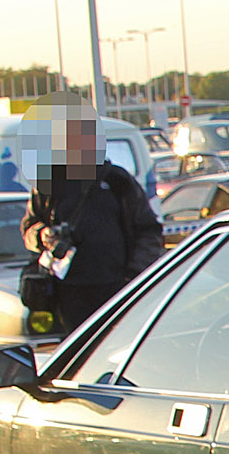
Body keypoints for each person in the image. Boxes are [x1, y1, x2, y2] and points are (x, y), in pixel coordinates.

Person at [19, 92, 164, 334]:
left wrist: (133, 278)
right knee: (76, 358)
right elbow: (28, 228)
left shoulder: (117, 181)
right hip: (66, 292)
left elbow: (149, 230)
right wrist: (42, 235)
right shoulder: (48, 183)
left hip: (116, 290)